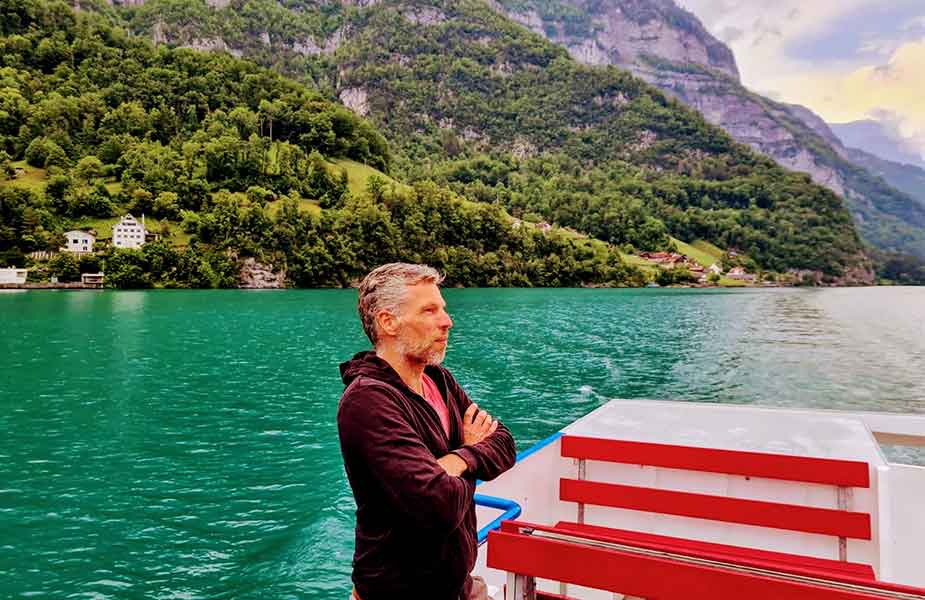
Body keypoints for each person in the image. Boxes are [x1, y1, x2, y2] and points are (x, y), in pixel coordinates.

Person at [337, 263, 517, 600]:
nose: (447, 321)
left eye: (443, 309)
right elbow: (438, 507)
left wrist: (460, 458)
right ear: (388, 322)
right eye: (430, 310)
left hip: (458, 584)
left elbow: (505, 444)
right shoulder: (367, 402)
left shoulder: (439, 380)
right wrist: (472, 454)